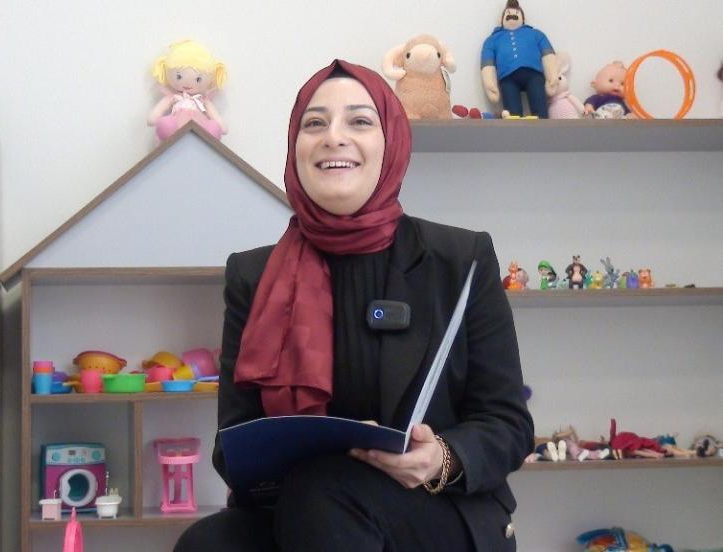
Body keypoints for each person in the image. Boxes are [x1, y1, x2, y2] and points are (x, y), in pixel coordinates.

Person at [174, 59, 533, 552]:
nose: (333, 138)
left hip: (435, 507)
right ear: (294, 147)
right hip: (299, 504)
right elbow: (232, 445)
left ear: (392, 143)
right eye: (314, 124)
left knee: (325, 494)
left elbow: (508, 424)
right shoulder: (252, 276)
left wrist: (441, 457)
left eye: (360, 121)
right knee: (209, 544)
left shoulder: (460, 258)